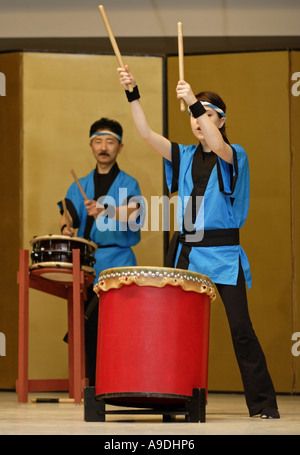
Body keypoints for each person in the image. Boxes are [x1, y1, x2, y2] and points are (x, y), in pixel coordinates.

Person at [117, 65, 280, 419]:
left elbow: (218, 145)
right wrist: (133, 92)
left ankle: (263, 404)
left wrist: (192, 100)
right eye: (196, 114)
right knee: (175, 328)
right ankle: (172, 398)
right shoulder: (185, 156)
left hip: (223, 253)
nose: (199, 120)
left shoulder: (234, 154)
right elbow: (145, 134)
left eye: (208, 114)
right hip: (188, 252)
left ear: (221, 121)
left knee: (240, 329)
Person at [59, 117, 143, 385]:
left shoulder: (130, 183)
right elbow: (68, 217)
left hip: (119, 261)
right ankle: (93, 385)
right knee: (89, 327)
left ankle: (120, 382)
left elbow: (134, 213)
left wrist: (106, 209)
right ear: (91, 145)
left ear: (120, 146)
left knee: (120, 327)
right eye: (98, 141)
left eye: (110, 141)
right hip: (87, 265)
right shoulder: (79, 184)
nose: (103, 147)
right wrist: (66, 230)